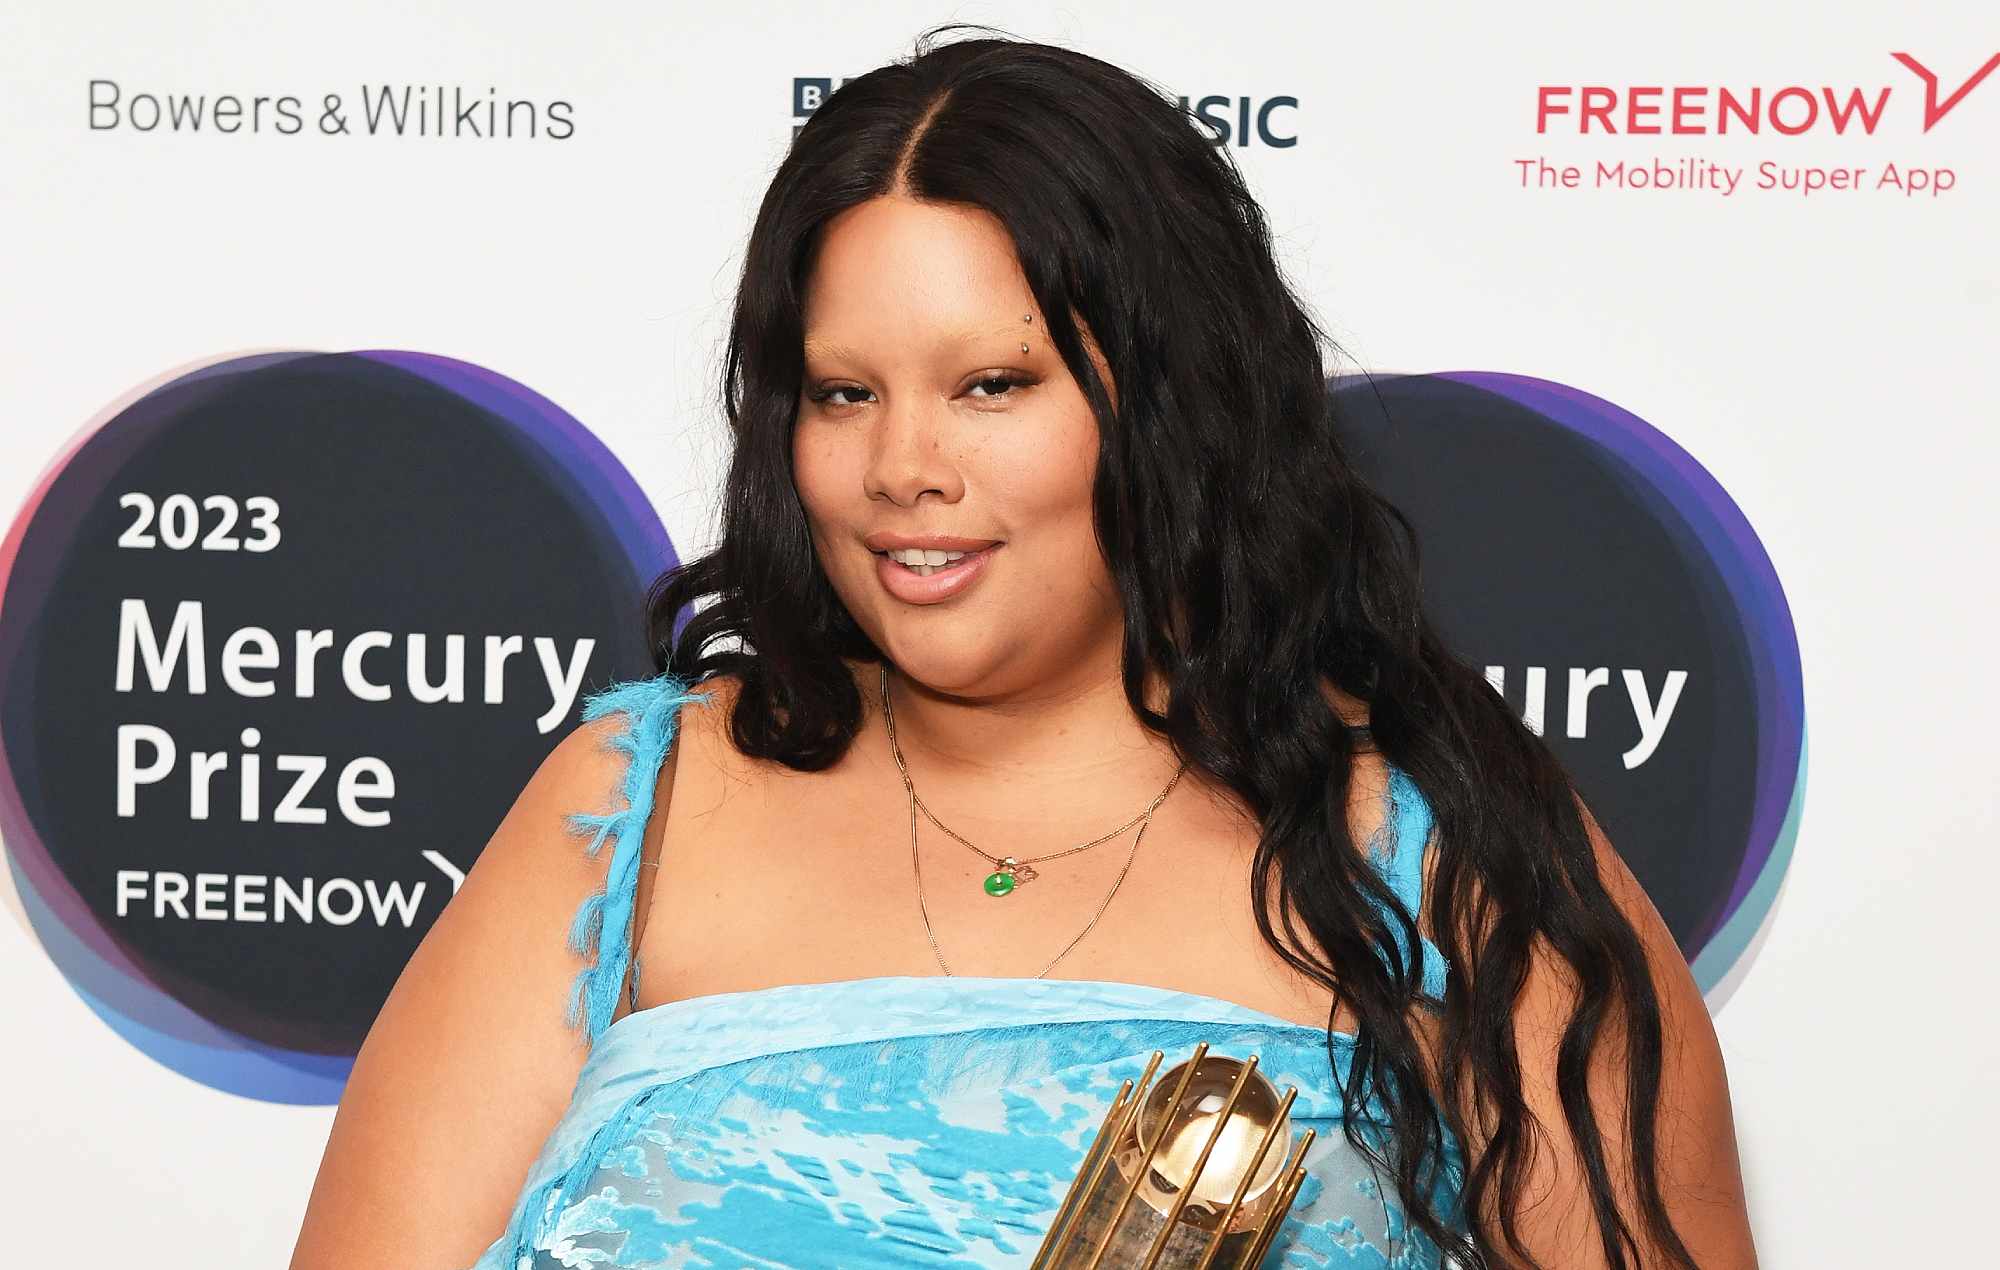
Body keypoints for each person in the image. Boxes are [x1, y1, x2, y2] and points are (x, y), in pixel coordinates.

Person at [290, 25, 1755, 1270]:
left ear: (1172, 407)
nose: (901, 467)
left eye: (993, 384)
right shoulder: (633, 807)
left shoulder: (1450, 856)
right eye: (843, 393)